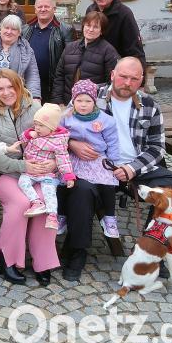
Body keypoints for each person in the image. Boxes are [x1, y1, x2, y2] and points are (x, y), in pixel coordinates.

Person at [62, 57, 172, 281]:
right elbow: (61, 125)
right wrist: (72, 143)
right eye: (123, 76)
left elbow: (157, 148)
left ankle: (151, 252)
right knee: (81, 190)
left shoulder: (149, 105)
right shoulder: (91, 95)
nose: (127, 83)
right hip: (95, 163)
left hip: (135, 167)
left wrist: (132, 168)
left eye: (134, 79)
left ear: (141, 80)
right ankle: (76, 251)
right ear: (112, 74)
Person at [0, 69, 58, 286]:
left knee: (45, 202)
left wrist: (53, 163)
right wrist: (24, 165)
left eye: (10, 86)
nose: (6, 92)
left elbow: (54, 138)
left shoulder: (35, 108)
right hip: (0, 172)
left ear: (19, 85)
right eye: (0, 88)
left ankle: (43, 261)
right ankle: (5, 259)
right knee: (21, 202)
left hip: (36, 172)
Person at [60, 79, 121, 238]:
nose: (83, 104)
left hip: (97, 158)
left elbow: (112, 141)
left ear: (94, 102)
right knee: (64, 182)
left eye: (88, 101)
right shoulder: (66, 117)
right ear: (73, 101)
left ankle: (109, 217)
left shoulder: (105, 119)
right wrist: (68, 144)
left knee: (107, 184)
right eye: (79, 100)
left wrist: (114, 162)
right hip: (73, 157)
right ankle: (61, 215)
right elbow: (58, 134)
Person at [17, 103, 76, 230]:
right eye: (36, 124)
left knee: (49, 191)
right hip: (30, 171)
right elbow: (21, 139)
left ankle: (52, 216)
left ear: (52, 127)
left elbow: (63, 159)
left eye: (41, 125)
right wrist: (28, 134)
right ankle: (36, 202)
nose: (37, 128)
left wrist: (68, 176)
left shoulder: (58, 141)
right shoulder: (35, 133)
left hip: (47, 173)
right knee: (22, 182)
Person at [51, 11, 119, 105]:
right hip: (67, 103)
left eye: (95, 27)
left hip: (93, 105)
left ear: (101, 31)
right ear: (83, 26)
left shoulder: (108, 51)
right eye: (88, 25)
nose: (90, 29)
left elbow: (111, 83)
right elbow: (59, 76)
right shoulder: (70, 48)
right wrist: (57, 101)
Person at [21, 0, 74, 103]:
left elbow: (70, 60)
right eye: (40, 7)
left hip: (52, 86)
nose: (43, 9)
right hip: (28, 85)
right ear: (35, 10)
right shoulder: (25, 29)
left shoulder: (65, 30)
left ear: (54, 9)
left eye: (47, 7)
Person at [85, 0, 145, 64]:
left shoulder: (124, 14)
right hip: (92, 66)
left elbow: (134, 49)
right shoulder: (90, 10)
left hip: (116, 67)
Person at [0, 14, 41, 100]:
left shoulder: (26, 50)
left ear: (19, 32)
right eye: (6, 28)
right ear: (1, 29)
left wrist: (35, 97)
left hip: (15, 97)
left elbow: (32, 75)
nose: (9, 31)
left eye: (13, 29)